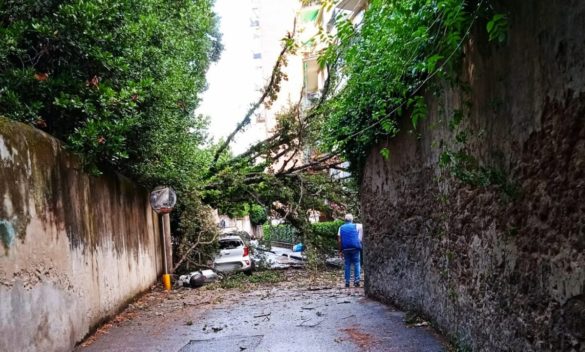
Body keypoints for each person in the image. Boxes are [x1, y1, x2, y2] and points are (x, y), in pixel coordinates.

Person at [337, 214, 363, 288]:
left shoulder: (340, 227)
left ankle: (347, 282)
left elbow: (339, 240)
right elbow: (361, 234)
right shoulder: (357, 225)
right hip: (355, 247)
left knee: (347, 264)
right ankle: (357, 281)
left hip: (346, 248)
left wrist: (340, 250)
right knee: (357, 263)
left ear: (345, 220)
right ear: (352, 220)